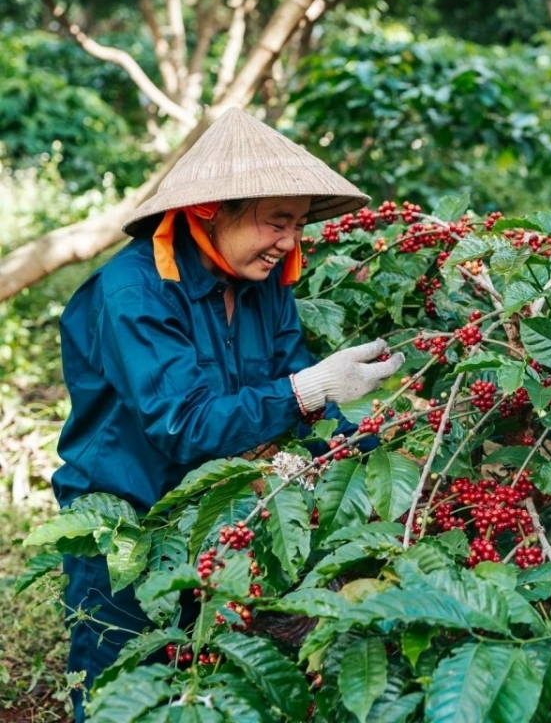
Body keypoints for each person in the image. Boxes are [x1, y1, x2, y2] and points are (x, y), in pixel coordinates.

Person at [53, 108, 404, 720]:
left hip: (220, 517)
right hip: (127, 525)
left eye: (296, 224)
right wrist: (309, 389)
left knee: (214, 683)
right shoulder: (134, 292)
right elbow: (185, 425)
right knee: (121, 690)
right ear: (211, 210)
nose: (290, 241)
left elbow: (299, 396)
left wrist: (373, 458)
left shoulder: (264, 285)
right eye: (276, 222)